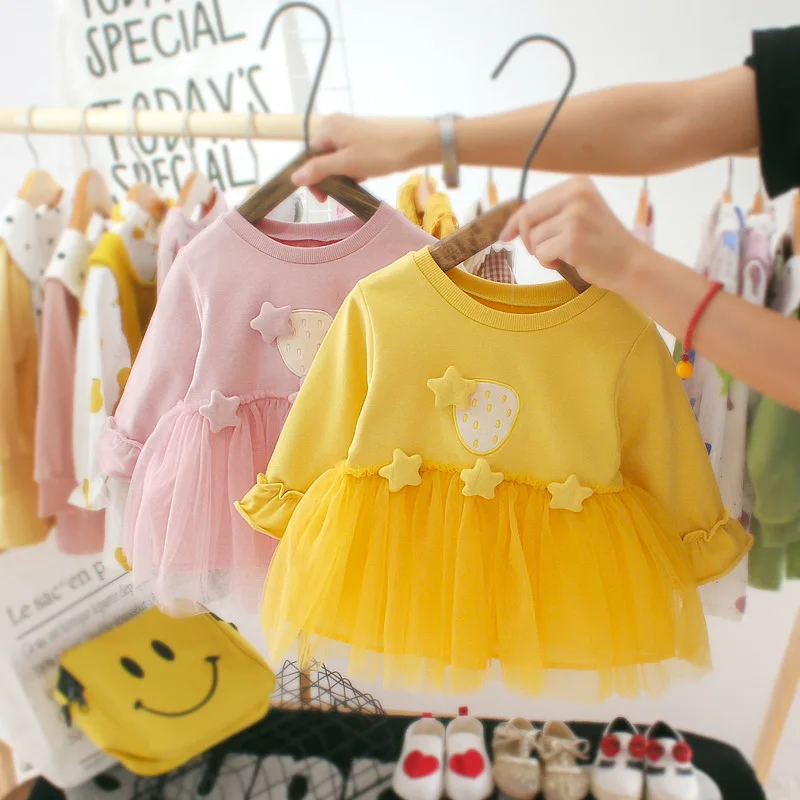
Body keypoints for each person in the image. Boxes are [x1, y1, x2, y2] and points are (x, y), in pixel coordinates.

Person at [291, 27, 800, 411]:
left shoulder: (622, 337)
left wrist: (633, 267)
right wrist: (425, 141)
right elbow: (672, 120)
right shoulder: (380, 301)